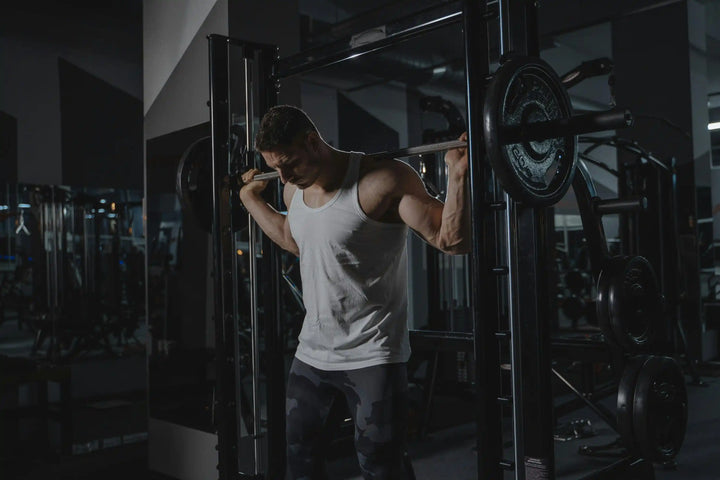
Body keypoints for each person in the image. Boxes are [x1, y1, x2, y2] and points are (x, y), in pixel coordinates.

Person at [240, 105, 470, 479]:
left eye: (288, 163)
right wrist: (250, 200)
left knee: (380, 467)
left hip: (372, 355)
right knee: (297, 459)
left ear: (313, 143)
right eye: (275, 166)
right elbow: (293, 239)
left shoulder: (383, 180)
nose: (281, 175)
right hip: (312, 355)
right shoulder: (291, 189)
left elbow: (452, 240)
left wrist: (459, 176)